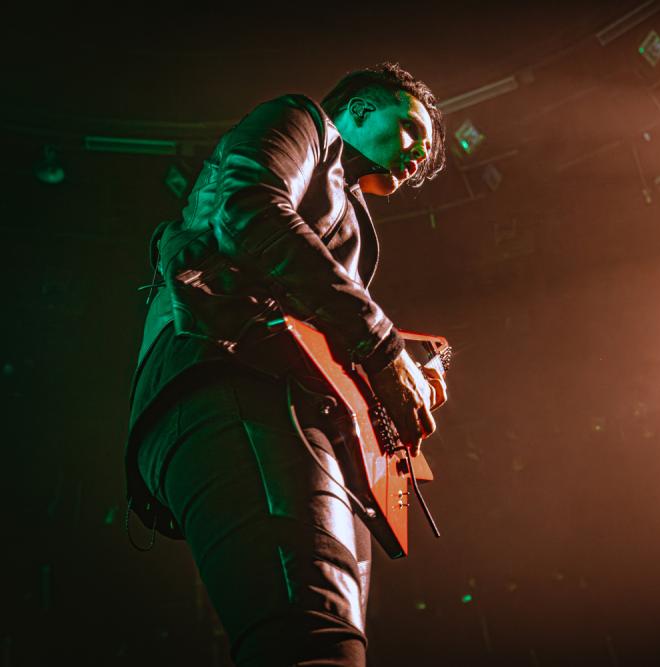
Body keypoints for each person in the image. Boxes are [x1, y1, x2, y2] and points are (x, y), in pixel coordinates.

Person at [124, 62, 448, 666]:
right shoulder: (302, 120)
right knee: (314, 640)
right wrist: (382, 347)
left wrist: (402, 367)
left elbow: (311, 315)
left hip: (284, 404)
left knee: (332, 641)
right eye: (410, 129)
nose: (419, 154)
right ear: (359, 109)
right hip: (232, 379)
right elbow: (249, 210)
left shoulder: (349, 214)